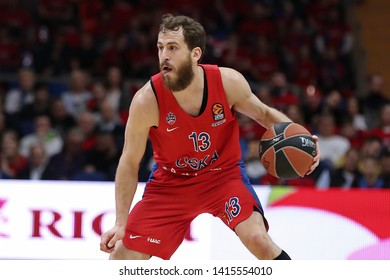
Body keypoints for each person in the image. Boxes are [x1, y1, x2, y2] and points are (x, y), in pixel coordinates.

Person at [100, 14, 320, 260]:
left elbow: (265, 114)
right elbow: (129, 162)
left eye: (173, 48)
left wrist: (305, 141)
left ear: (196, 54)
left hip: (223, 176)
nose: (164, 55)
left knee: (258, 239)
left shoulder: (227, 82)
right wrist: (121, 223)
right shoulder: (146, 100)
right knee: (122, 257)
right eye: (161, 48)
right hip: (172, 183)